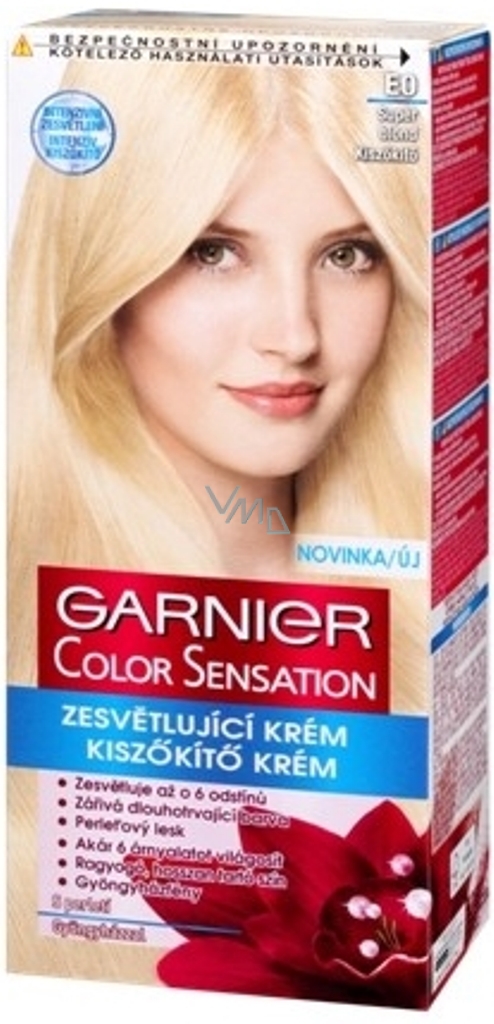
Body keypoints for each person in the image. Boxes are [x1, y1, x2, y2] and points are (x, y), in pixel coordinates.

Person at [8, 58, 430, 979]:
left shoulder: (432, 649)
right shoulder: (32, 668)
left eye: (348, 255)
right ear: (100, 274)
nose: (294, 334)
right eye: (213, 251)